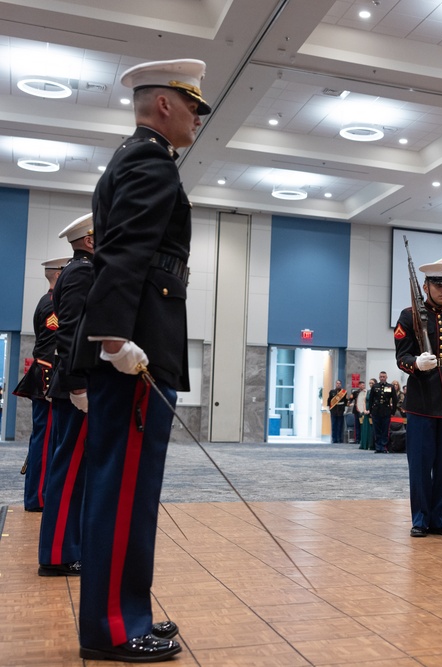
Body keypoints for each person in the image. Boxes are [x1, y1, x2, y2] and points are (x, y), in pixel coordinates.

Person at [74, 59, 213, 662]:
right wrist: (111, 339)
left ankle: (129, 612)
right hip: (134, 349)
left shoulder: (141, 157)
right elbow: (125, 252)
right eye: (192, 106)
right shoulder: (150, 160)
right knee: (122, 489)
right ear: (164, 104)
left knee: (131, 490)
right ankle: (110, 627)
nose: (197, 118)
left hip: (139, 345)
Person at [394, 262, 442, 537]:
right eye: (438, 285)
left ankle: (441, 518)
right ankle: (420, 519)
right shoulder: (409, 316)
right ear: (426, 286)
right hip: (422, 401)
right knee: (420, 465)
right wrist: (416, 363)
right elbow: (401, 357)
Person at [38, 214, 94, 577]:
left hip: (76, 383)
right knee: (69, 471)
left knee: (74, 470)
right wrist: (78, 384)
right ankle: (58, 553)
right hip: (78, 387)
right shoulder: (83, 273)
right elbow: (70, 332)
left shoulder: (77, 271)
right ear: (89, 240)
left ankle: (68, 546)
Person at [16, 257, 67, 512]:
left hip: (46, 378)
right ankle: (38, 498)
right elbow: (48, 349)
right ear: (58, 276)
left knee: (45, 439)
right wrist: (49, 385)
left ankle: (39, 495)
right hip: (46, 379)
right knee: (45, 442)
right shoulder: (52, 304)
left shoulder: (49, 301)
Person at [367, 371, 398, 453]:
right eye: (381, 377)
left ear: (386, 377)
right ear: (379, 377)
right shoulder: (375, 386)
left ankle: (384, 447)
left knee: (385, 430)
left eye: (384, 376)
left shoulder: (390, 387)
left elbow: (395, 400)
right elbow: (371, 400)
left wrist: (393, 411)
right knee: (376, 430)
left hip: (386, 411)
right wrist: (370, 410)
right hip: (376, 411)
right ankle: (378, 447)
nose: (382, 378)